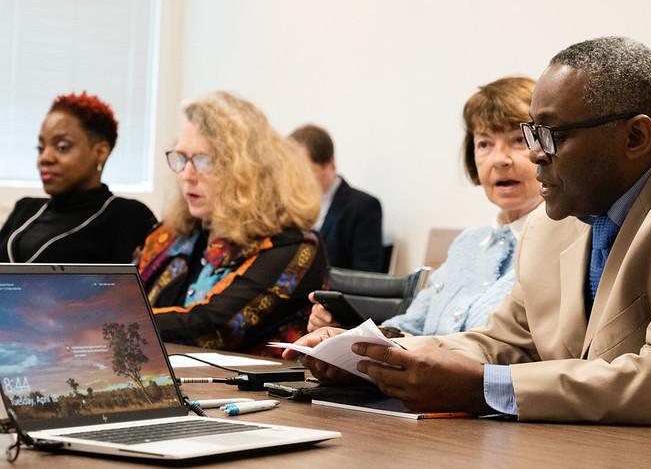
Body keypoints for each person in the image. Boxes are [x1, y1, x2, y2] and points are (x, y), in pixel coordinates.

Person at [286, 37, 651, 461]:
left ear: (636, 136)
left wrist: (480, 386)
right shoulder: (559, 218)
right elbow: (506, 341)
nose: (533, 154)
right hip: (597, 450)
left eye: (551, 134)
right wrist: (380, 358)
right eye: (533, 131)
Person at [306, 77, 543, 336]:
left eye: (518, 140)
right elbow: (409, 326)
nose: (499, 159)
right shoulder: (467, 244)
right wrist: (346, 334)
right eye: (484, 143)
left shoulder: (562, 246)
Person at [137, 91, 327, 356]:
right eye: (181, 158)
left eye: (205, 161)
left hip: (249, 395)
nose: (187, 175)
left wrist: (111, 322)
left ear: (249, 170)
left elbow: (212, 327)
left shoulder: (296, 248)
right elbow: (125, 296)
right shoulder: (175, 234)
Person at [0, 91, 156, 263]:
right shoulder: (25, 209)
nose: (45, 158)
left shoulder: (128, 217)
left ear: (100, 152)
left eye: (62, 147)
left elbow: (137, 287)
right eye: (41, 147)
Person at [289, 124, 384, 272]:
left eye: (307, 172)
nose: (298, 181)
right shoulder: (287, 205)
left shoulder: (363, 207)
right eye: (293, 173)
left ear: (330, 163)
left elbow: (366, 275)